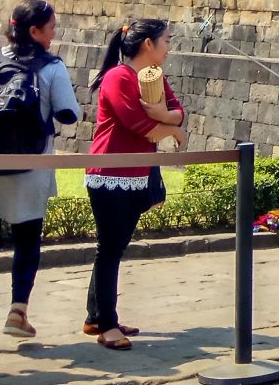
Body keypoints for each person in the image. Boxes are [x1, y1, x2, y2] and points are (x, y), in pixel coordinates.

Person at [0, 0, 80, 352]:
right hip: (29, 167)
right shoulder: (51, 67)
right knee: (27, 239)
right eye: (51, 27)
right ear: (34, 31)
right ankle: (18, 312)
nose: (54, 33)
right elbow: (68, 114)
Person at [86, 19, 187, 351]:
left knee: (115, 246)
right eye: (165, 41)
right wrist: (171, 128)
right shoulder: (118, 77)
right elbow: (135, 123)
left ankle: (97, 315)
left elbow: (177, 110)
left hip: (136, 173)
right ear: (148, 44)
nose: (168, 47)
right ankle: (107, 325)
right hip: (109, 172)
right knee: (110, 248)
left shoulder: (154, 77)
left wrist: (167, 116)